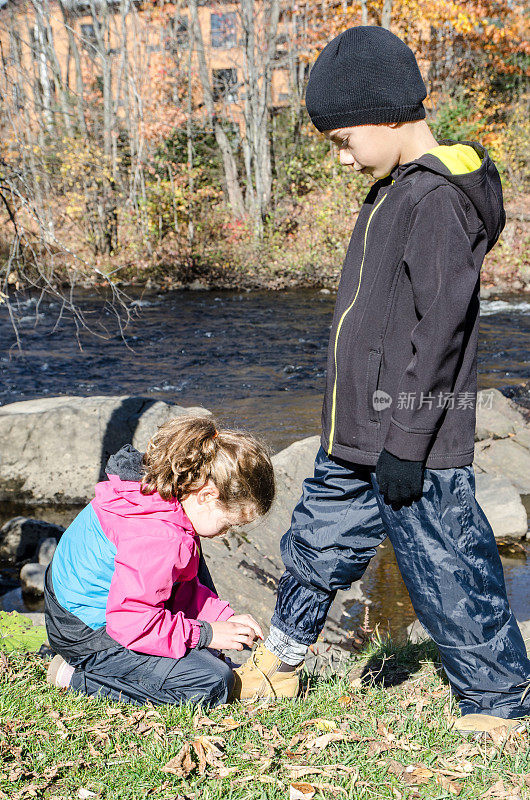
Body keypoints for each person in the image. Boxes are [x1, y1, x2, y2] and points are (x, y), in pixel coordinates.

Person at [232, 25, 530, 734]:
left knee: (448, 565)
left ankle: (499, 702)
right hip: (353, 432)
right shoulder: (391, 190)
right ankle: (282, 658)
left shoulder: (438, 202)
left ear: (389, 114)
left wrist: (406, 440)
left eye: (343, 140)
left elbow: (439, 331)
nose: (341, 159)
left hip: (412, 438)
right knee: (316, 543)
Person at [44, 414, 275, 708]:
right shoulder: (160, 537)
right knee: (213, 682)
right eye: (229, 523)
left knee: (193, 565)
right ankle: (74, 676)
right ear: (206, 495)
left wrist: (220, 615)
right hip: (86, 630)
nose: (226, 533)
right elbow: (132, 624)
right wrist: (206, 633)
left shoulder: (168, 490)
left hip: (73, 597)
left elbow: (177, 586)